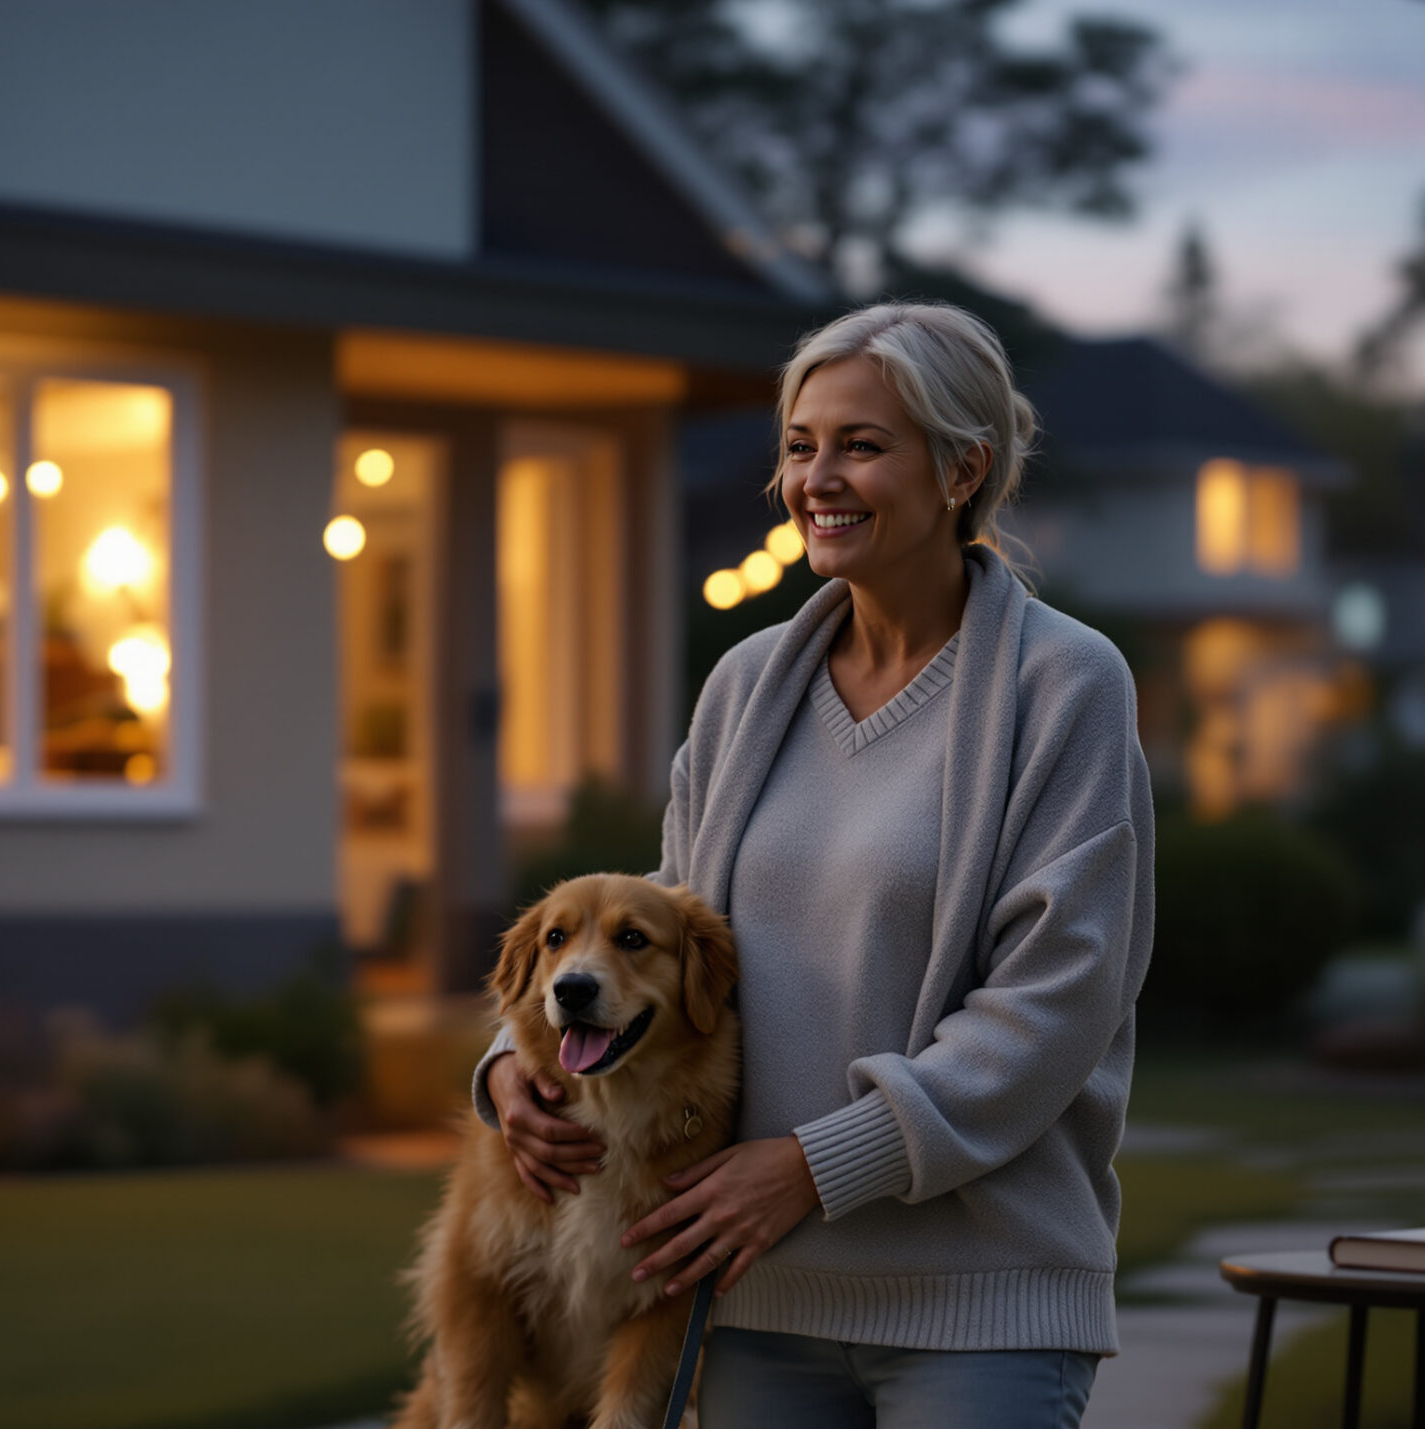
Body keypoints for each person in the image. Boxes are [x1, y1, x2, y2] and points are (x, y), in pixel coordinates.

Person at [474, 301, 1154, 1428]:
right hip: (751, 1293)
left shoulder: (1066, 684)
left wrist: (813, 1163)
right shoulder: (747, 687)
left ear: (962, 469)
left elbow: (1056, 1005)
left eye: (861, 445)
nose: (816, 479)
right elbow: (657, 931)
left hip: (977, 1298)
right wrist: (513, 1061)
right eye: (800, 446)